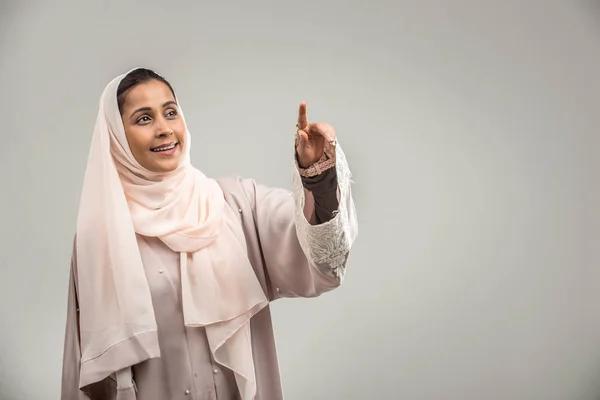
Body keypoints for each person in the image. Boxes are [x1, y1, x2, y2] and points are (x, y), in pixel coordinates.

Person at [61, 67, 358, 400]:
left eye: (170, 112)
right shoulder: (102, 239)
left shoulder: (237, 204)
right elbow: (85, 366)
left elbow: (322, 257)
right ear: (116, 136)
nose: (164, 129)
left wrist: (318, 178)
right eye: (143, 119)